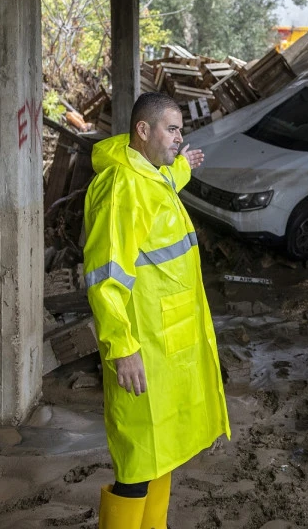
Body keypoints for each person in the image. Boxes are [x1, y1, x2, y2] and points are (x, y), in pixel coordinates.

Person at [83, 92, 230, 529]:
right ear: (142, 131)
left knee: (160, 452)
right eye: (171, 129)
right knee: (136, 466)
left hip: (165, 348)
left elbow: (159, 194)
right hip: (142, 349)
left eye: (181, 130)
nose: (179, 137)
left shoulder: (148, 176)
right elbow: (106, 279)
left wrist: (183, 166)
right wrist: (122, 348)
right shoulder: (122, 187)